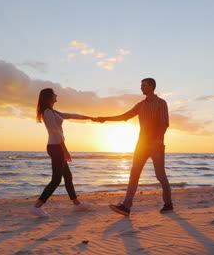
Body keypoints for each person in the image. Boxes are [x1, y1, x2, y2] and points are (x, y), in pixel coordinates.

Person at [94, 78, 173, 215]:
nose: (141, 87)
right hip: (141, 144)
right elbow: (125, 116)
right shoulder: (140, 105)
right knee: (134, 174)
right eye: (141, 85)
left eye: (144, 85)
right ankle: (126, 206)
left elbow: (164, 123)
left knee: (160, 176)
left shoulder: (161, 103)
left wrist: (158, 140)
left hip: (156, 145)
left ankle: (168, 204)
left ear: (152, 86)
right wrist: (106, 118)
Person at [30, 88, 93, 218]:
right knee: (56, 179)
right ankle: (37, 207)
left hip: (57, 146)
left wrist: (90, 118)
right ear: (49, 97)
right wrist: (65, 151)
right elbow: (56, 133)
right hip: (56, 147)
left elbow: (70, 115)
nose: (56, 95)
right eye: (54, 94)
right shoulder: (47, 112)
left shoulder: (53, 111)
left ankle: (77, 204)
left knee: (68, 177)